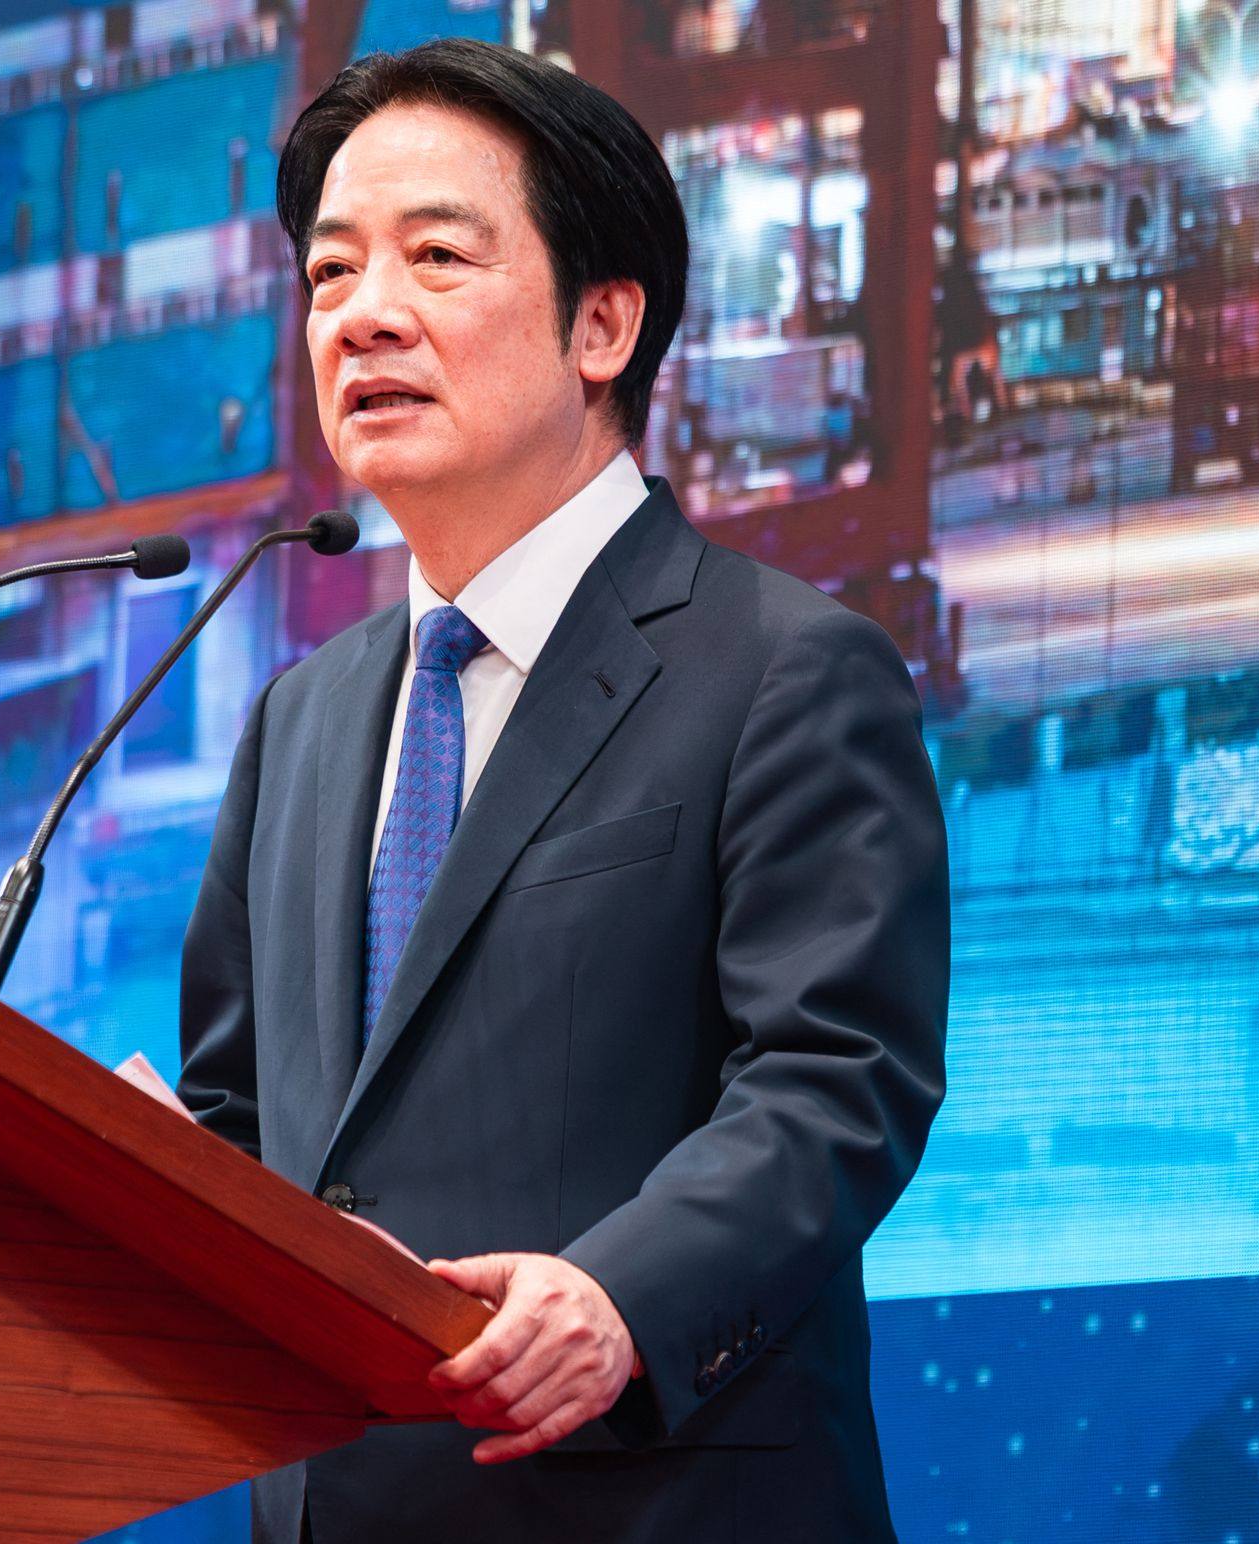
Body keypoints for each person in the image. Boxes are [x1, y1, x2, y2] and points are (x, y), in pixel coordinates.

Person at [177, 37, 949, 1543]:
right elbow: (244, 1117)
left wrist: (621, 1298)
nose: (361, 316)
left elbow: (835, 1078)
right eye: (330, 275)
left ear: (604, 324)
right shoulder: (300, 723)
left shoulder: (787, 670)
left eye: (436, 257)